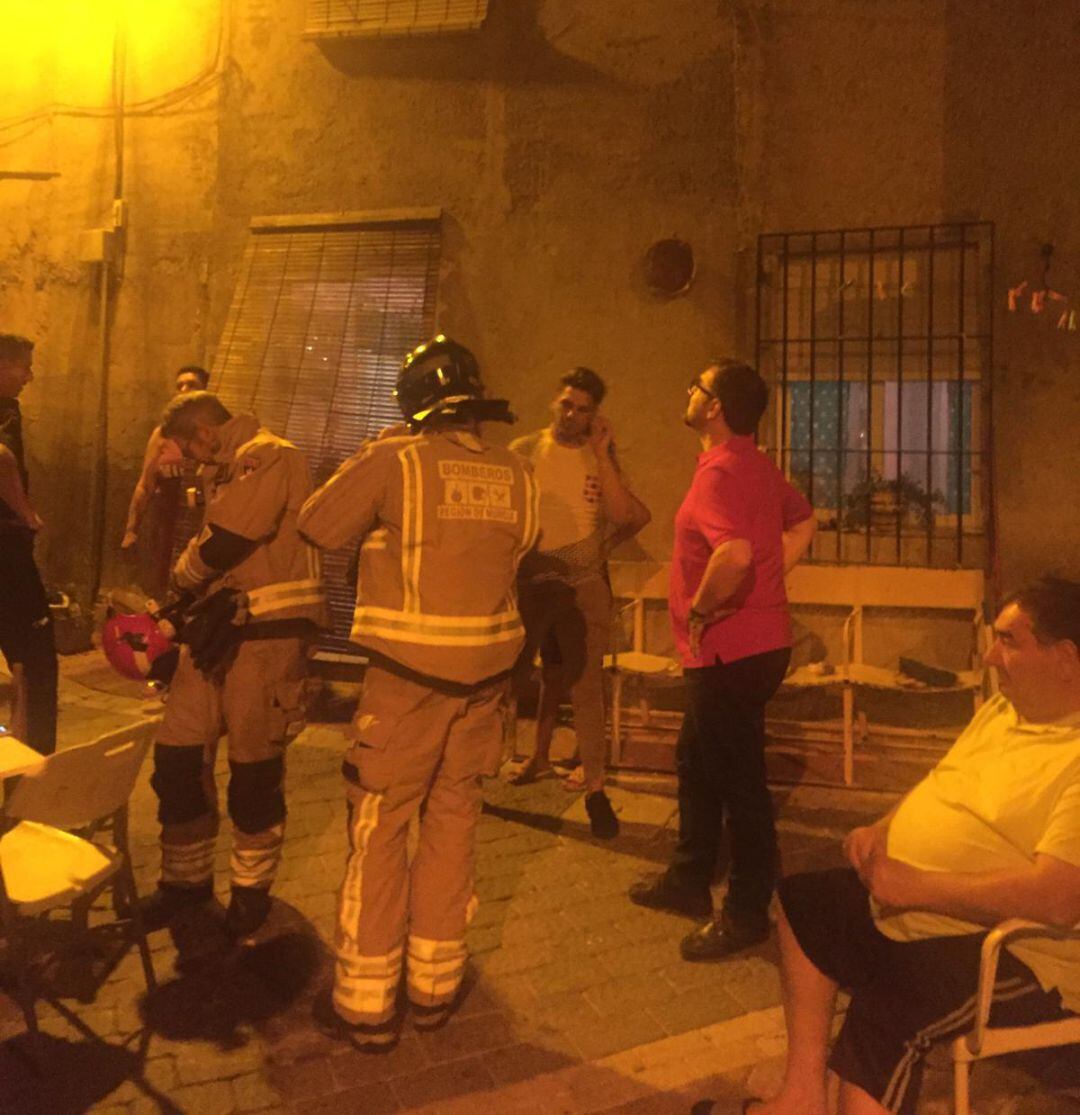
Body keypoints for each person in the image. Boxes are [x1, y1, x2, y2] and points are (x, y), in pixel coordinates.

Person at [717, 577, 1080, 1115]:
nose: (989, 655)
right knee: (804, 903)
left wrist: (916, 888)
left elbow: (1058, 898)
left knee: (886, 1010)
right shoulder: (1003, 712)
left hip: (1019, 955)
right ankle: (799, 1098)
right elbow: (941, 783)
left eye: (1009, 641)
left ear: (1067, 657)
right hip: (927, 914)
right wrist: (884, 828)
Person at [298, 336, 539, 1050]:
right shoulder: (520, 473)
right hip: (486, 687)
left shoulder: (394, 460)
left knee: (380, 829)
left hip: (405, 686)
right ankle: (434, 986)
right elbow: (514, 550)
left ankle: (367, 1005)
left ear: (412, 405)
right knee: (454, 822)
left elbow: (316, 524)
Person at [629, 358, 816, 958]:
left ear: (714, 407)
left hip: (731, 649)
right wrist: (773, 576)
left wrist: (703, 609)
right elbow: (804, 519)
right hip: (756, 646)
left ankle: (747, 910)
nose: (688, 390)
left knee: (741, 783)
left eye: (698, 385)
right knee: (696, 757)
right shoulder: (753, 466)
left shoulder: (721, 473)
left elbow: (732, 553)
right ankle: (688, 877)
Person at [144, 391, 328, 940]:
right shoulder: (224, 468)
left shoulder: (266, 455)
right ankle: (185, 884)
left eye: (189, 450)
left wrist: (180, 575)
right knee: (176, 758)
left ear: (204, 433)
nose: (192, 463)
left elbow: (227, 541)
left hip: (269, 637)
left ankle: (250, 894)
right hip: (219, 632)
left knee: (253, 773)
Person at [507, 367, 650, 839]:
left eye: (583, 409)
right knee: (532, 673)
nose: (571, 415)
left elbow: (629, 514)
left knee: (585, 682)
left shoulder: (598, 457)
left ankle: (595, 784)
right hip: (532, 578)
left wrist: (603, 454)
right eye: (566, 404)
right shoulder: (526, 451)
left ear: (595, 415)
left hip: (582, 583)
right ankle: (537, 757)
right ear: (554, 402)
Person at [0, 333, 57, 756]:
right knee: (33, 654)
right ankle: (32, 766)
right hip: (6, 552)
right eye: (22, 366)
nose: (30, 376)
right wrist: (25, 512)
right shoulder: (4, 411)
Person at [122, 365, 210, 592]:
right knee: (160, 581)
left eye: (191, 385)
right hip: (165, 522)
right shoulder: (163, 435)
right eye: (179, 385)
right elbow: (145, 483)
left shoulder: (214, 435)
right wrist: (131, 530)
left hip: (199, 523)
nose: (183, 389)